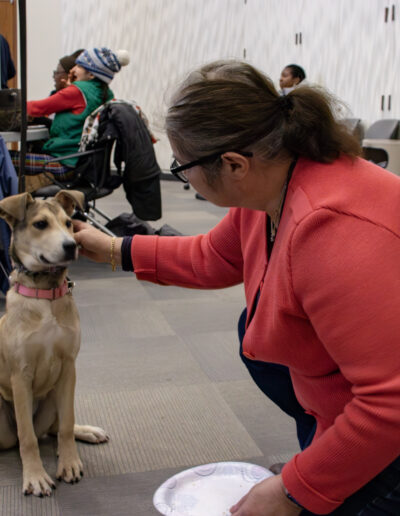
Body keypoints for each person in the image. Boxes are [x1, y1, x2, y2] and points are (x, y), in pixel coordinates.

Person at [72, 59, 400, 515]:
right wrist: (114, 249)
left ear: (232, 164)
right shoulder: (271, 184)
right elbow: (215, 257)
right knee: (255, 326)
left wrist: (293, 490)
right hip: (341, 395)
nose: (182, 176)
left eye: (182, 167)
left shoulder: (333, 232)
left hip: (389, 435)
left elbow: (390, 405)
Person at [10, 47, 129, 192]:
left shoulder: (77, 91)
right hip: (83, 164)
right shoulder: (105, 93)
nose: (74, 68)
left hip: (63, 164)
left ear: (91, 74)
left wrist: (8, 104)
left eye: (79, 66)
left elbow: (36, 108)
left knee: (4, 158)